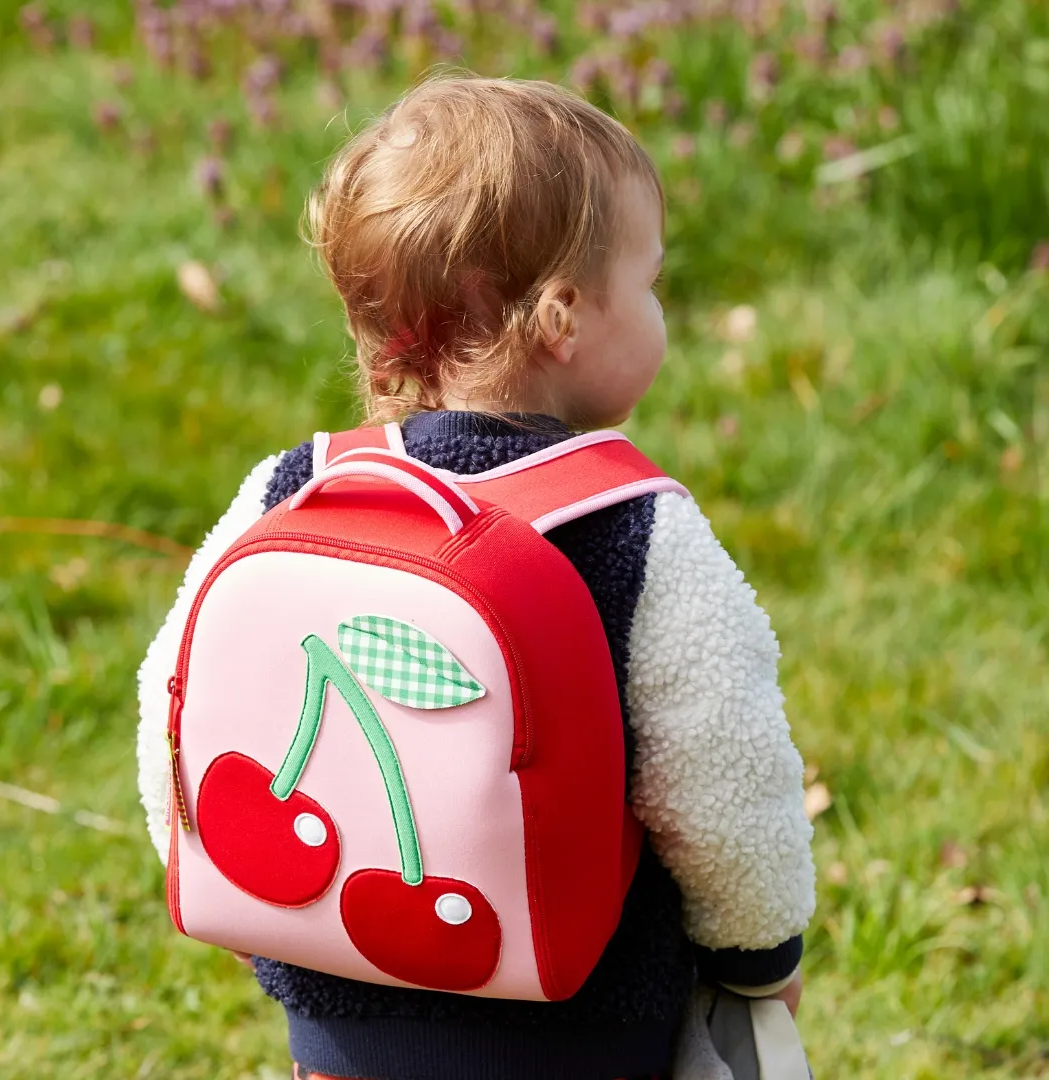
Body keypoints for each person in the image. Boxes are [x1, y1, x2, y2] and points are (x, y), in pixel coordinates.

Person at [137, 72, 815, 1080]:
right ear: (565, 318)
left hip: (340, 1003)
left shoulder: (292, 493)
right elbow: (726, 765)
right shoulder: (631, 526)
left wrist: (244, 899)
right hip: (584, 1021)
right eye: (653, 284)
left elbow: (172, 707)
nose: (662, 310)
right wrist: (760, 954)